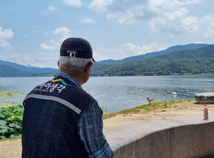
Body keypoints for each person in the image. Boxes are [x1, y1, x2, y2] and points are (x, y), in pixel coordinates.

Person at [22, 37, 114, 158]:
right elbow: (101, 155)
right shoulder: (85, 103)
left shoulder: (32, 94)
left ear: (59, 64)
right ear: (89, 66)